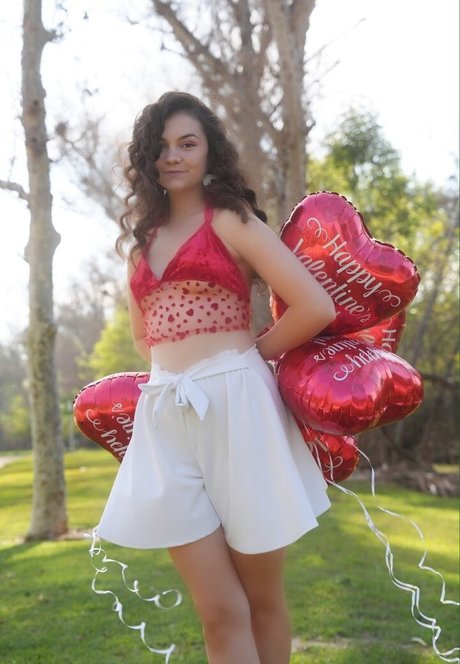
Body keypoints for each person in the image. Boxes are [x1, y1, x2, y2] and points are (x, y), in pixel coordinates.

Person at [95, 91, 336, 664]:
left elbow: (315, 306)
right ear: (146, 158)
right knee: (218, 610)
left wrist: (247, 357)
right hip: (166, 416)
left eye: (187, 143)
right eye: (161, 147)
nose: (173, 156)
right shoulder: (140, 247)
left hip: (239, 408)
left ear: (209, 151)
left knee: (260, 598)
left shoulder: (232, 221)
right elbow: (144, 339)